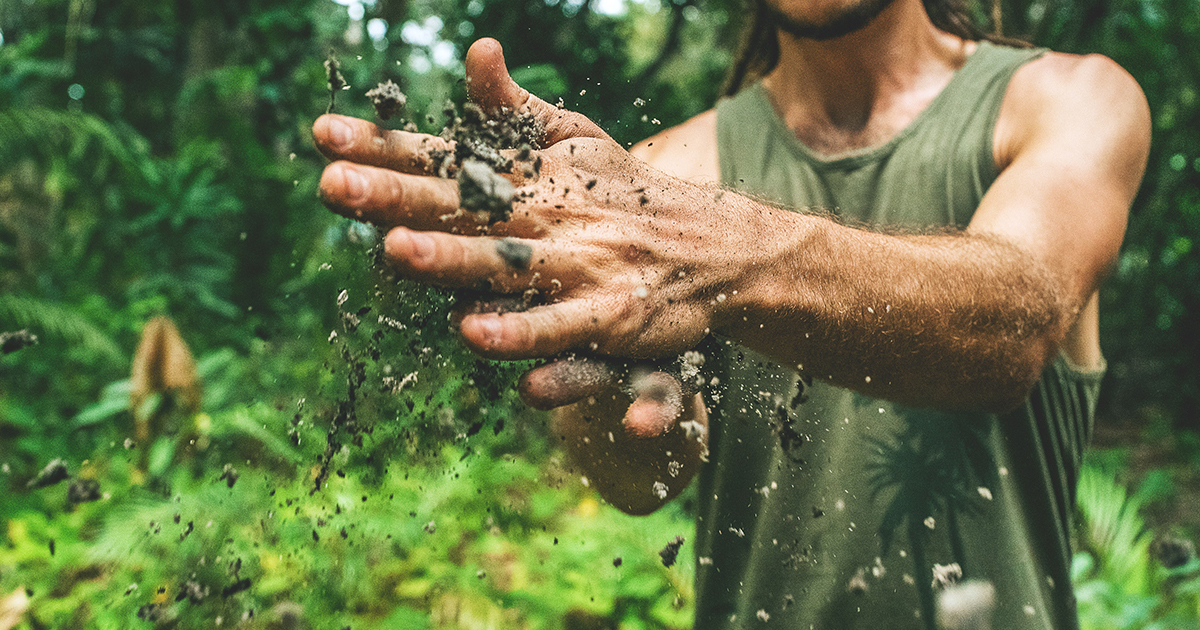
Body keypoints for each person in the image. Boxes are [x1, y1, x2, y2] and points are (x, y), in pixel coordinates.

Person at [312, 0, 1150, 625]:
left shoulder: (1068, 100)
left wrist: (720, 253)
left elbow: (1012, 325)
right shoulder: (661, 176)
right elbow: (637, 483)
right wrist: (623, 377)